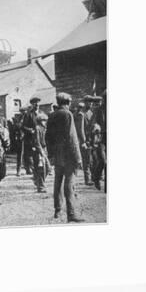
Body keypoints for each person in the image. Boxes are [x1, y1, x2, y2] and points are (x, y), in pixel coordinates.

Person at [45, 92, 85, 223]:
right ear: (67, 102)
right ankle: (71, 213)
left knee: (58, 183)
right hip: (68, 156)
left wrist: (50, 154)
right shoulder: (68, 114)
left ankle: (57, 209)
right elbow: (72, 138)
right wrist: (78, 157)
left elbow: (48, 137)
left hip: (57, 155)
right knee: (69, 183)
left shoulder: (52, 115)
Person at [74, 97, 94, 185]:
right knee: (86, 159)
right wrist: (83, 141)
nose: (91, 104)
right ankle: (87, 179)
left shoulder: (91, 113)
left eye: (92, 102)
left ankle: (91, 177)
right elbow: (80, 129)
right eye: (89, 102)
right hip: (85, 140)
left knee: (91, 159)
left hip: (91, 138)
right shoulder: (81, 114)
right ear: (85, 103)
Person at [91, 92, 107, 192]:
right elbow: (93, 123)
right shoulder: (98, 110)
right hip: (101, 138)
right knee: (103, 161)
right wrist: (96, 127)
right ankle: (96, 178)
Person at [22, 97, 41, 174]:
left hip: (39, 137)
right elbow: (23, 126)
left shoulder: (41, 113)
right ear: (32, 105)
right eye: (35, 103)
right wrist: (31, 130)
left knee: (38, 153)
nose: (37, 105)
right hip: (30, 138)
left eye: (38, 103)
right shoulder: (28, 114)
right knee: (29, 154)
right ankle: (29, 168)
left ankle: (38, 168)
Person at [32, 113, 50, 193]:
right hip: (39, 151)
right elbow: (37, 141)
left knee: (47, 168)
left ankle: (38, 181)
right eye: (43, 120)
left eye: (45, 120)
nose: (45, 122)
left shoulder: (45, 128)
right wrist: (41, 151)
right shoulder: (37, 128)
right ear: (39, 121)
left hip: (44, 149)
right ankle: (41, 186)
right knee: (41, 168)